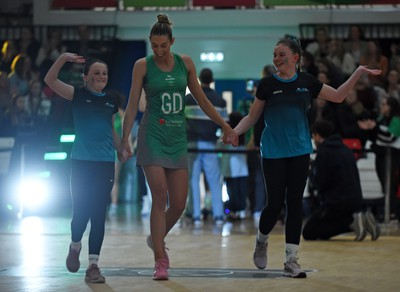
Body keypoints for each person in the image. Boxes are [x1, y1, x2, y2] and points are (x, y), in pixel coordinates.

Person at [229, 35, 381, 278]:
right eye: (274, 54)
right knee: (275, 204)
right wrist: (235, 132)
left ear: (295, 58)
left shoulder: (307, 82)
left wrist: (358, 72)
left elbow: (340, 96)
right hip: (273, 151)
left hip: (300, 150)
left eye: (281, 54)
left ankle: (291, 260)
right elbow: (252, 117)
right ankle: (262, 239)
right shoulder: (267, 84)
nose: (276, 58)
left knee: (295, 203)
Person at [118, 13, 236, 281]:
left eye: (163, 45)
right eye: (154, 46)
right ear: (150, 43)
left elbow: (203, 100)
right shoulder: (142, 66)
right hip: (152, 137)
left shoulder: (186, 64)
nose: (159, 51)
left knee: (180, 203)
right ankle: (160, 260)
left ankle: (155, 239)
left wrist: (225, 125)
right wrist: (125, 138)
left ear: (172, 41)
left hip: (176, 139)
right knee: (159, 197)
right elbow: (133, 103)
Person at [44, 52, 120, 283]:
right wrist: (63, 58)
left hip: (105, 163)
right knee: (81, 214)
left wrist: (122, 147)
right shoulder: (77, 94)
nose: (101, 76)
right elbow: (50, 80)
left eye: (104, 73)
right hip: (81, 163)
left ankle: (93, 266)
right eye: (96, 73)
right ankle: (75, 244)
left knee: (98, 214)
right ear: (85, 77)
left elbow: (111, 130)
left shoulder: (111, 101)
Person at [302, 120, 380, 241]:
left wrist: (310, 173)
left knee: (309, 232)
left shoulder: (324, 152)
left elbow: (321, 183)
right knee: (322, 231)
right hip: (354, 200)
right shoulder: (346, 149)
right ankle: (361, 219)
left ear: (317, 135)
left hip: (335, 202)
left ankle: (352, 223)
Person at [185, 67, 227, 227]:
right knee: (214, 181)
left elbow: (183, 122)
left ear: (200, 80)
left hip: (192, 144)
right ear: (212, 80)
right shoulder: (220, 101)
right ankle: (218, 215)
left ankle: (195, 215)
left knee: (193, 180)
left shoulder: (188, 99)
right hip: (211, 145)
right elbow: (224, 124)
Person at [358, 96, 400, 222]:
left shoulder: (397, 120)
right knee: (384, 185)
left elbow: (389, 137)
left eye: (384, 104)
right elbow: (375, 137)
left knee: (391, 185)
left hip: (392, 156)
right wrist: (369, 129)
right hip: (381, 155)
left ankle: (393, 213)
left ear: (391, 106)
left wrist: (374, 128)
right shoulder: (381, 118)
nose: (381, 106)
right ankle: (387, 211)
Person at [220, 111, 249, 220]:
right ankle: (241, 210)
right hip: (242, 170)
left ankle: (232, 211)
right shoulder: (243, 139)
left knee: (232, 192)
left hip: (229, 170)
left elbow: (219, 147)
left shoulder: (228, 138)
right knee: (241, 192)